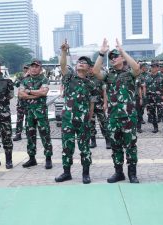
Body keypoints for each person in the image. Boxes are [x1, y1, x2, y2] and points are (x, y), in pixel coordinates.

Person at [93, 38, 140, 183]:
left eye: (115, 57)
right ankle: (119, 173)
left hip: (128, 117)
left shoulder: (129, 74)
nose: (113, 59)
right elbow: (95, 71)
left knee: (131, 146)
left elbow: (137, 68)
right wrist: (101, 53)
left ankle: (132, 174)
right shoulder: (109, 75)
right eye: (111, 57)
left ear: (122, 59)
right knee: (116, 146)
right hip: (113, 117)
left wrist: (122, 51)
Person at [55, 40, 97, 184]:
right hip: (67, 119)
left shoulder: (91, 84)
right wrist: (63, 51)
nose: (81, 63)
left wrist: (89, 118)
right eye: (79, 61)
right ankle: (66, 173)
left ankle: (86, 174)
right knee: (67, 147)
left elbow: (92, 104)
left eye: (84, 62)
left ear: (89, 68)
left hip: (83, 121)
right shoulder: (69, 78)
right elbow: (62, 65)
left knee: (84, 147)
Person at [18, 60, 53, 169]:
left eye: (36, 67)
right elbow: (20, 94)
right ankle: (32, 158)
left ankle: (48, 158)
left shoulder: (44, 79)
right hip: (29, 112)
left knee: (45, 135)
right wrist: (35, 94)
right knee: (30, 135)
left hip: (41, 112)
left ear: (40, 68)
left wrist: (28, 91)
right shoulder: (25, 80)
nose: (34, 68)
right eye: (32, 67)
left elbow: (43, 92)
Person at [87, 64, 111, 149]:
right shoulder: (85, 78)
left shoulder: (99, 78)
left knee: (103, 123)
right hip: (89, 106)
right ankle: (93, 141)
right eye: (89, 68)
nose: (90, 70)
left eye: (92, 68)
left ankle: (108, 141)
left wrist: (105, 103)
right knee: (90, 124)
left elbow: (104, 91)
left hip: (99, 104)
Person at [143, 62, 163, 134]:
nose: (152, 68)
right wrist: (144, 95)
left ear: (157, 68)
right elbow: (144, 86)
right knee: (152, 113)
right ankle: (155, 127)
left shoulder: (162, 76)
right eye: (151, 67)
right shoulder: (147, 76)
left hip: (159, 97)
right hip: (150, 98)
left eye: (154, 67)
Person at [12, 64, 30, 141]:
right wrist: (24, 77)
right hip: (21, 101)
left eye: (27, 68)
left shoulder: (32, 77)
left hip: (29, 101)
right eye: (24, 68)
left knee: (29, 119)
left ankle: (28, 134)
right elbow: (16, 84)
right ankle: (18, 134)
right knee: (19, 119)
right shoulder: (21, 76)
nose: (25, 70)